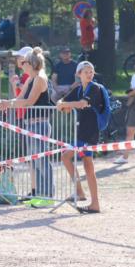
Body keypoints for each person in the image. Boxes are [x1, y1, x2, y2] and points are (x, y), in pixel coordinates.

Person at [0, 47, 54, 200]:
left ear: (31, 63)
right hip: (31, 124)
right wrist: (7, 102)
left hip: (40, 124)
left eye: (24, 62)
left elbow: (29, 101)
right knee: (34, 162)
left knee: (41, 162)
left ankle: (48, 195)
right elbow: (20, 98)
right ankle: (40, 194)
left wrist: (8, 104)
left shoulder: (40, 78)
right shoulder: (31, 78)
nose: (21, 65)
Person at [57, 60, 105, 213]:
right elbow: (62, 101)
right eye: (86, 72)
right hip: (81, 131)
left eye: (91, 72)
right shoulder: (78, 89)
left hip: (90, 132)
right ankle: (81, 193)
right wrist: (62, 104)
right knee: (69, 158)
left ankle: (94, 203)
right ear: (79, 74)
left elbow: (82, 104)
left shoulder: (94, 88)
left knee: (86, 164)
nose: (90, 74)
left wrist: (66, 105)